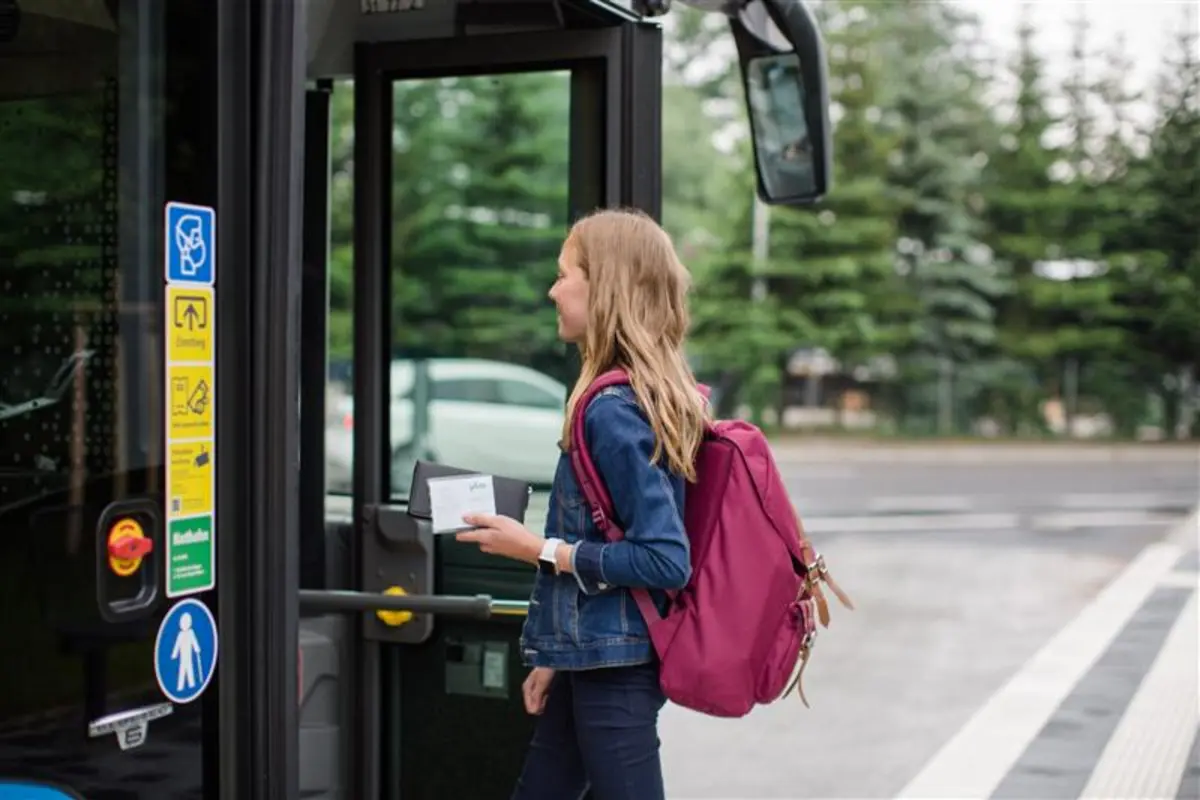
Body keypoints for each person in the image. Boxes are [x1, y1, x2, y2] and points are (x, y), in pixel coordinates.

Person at [455, 207, 709, 800]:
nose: (553, 290)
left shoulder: (612, 410)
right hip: (592, 656)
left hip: (616, 670)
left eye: (564, 274)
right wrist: (557, 654)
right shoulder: (623, 399)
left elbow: (664, 559)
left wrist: (537, 549)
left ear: (605, 288)